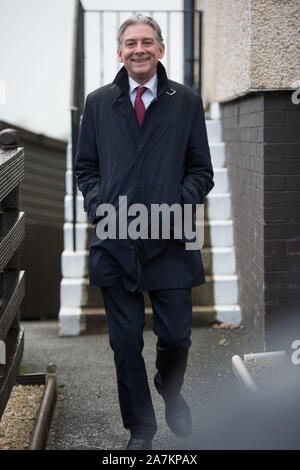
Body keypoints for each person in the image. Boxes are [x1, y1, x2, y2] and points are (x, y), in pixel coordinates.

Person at [75, 14, 214, 450]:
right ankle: (141, 429)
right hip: (115, 242)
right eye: (131, 43)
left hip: (171, 241)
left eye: (148, 42)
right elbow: (86, 169)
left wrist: (180, 202)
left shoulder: (185, 102)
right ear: (119, 52)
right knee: (125, 344)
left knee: (175, 337)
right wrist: (99, 205)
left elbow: (201, 171)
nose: (140, 49)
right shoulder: (97, 104)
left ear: (161, 49)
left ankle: (170, 390)